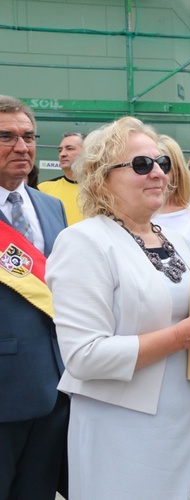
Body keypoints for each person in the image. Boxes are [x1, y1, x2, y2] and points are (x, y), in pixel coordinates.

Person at [46, 116, 190, 498]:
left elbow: (184, 320)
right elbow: (84, 356)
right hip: (118, 424)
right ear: (101, 178)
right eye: (141, 165)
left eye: (162, 163)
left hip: (180, 416)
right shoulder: (84, 242)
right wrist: (182, 336)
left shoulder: (177, 240)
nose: (158, 174)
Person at [0, 95, 68, 500]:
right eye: (6, 136)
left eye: (28, 136)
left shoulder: (51, 206)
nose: (22, 147)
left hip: (56, 385)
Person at [153, 135, 190, 259]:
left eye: (163, 165)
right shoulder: (127, 217)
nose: (155, 173)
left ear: (178, 170)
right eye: (143, 165)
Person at [38, 132, 85, 224]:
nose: (62, 154)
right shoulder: (42, 189)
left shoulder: (103, 189)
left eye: (69, 149)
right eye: (60, 150)